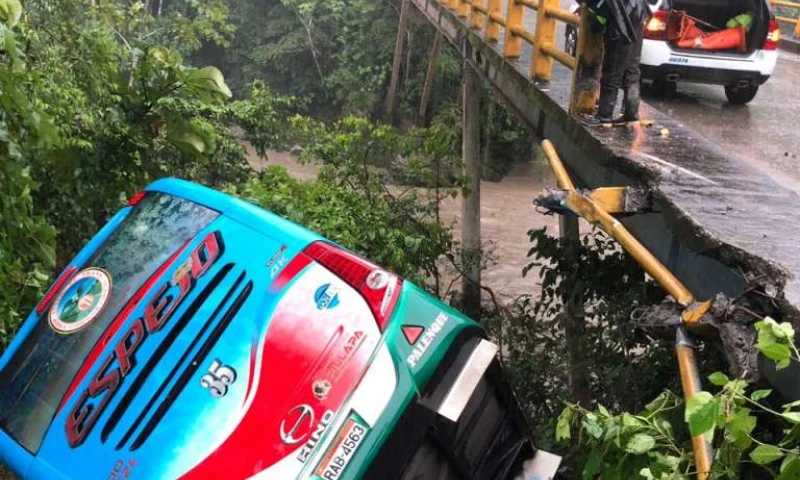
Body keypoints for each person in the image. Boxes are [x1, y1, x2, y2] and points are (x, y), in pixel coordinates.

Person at [582, 0, 652, 125]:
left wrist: (593, 22)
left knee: (612, 72)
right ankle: (631, 113)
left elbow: (599, 19)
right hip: (638, 16)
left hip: (620, 27)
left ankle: (604, 115)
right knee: (632, 70)